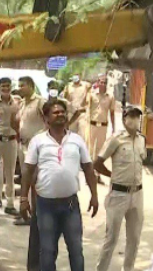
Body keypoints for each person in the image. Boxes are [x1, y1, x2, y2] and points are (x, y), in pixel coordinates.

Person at [20, 100, 99, 271]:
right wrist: (23, 199)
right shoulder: (38, 141)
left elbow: (88, 168)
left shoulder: (77, 140)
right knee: (47, 251)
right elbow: (28, 171)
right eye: (55, 112)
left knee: (76, 250)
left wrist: (94, 195)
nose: (61, 114)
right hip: (45, 205)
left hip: (70, 204)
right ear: (46, 118)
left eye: (63, 112)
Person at [94, 106, 145, 271]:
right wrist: (112, 176)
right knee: (111, 239)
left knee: (134, 238)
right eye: (131, 116)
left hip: (137, 193)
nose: (134, 120)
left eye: (137, 117)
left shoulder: (141, 140)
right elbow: (97, 163)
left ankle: (128, 268)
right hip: (118, 194)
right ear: (124, 119)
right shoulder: (116, 139)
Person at [15, 76, 46, 226]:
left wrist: (39, 138)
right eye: (19, 85)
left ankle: (37, 214)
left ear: (31, 86)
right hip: (23, 145)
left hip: (36, 147)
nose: (20, 88)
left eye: (23, 85)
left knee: (35, 181)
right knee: (26, 179)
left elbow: (48, 121)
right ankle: (28, 212)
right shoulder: (22, 104)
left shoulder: (40, 101)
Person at [0, 77, 21, 216]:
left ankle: (10, 203)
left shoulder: (17, 102)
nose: (5, 88)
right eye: (3, 86)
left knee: (10, 171)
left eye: (8, 86)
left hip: (11, 140)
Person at [86, 74, 115, 169]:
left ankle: (97, 173)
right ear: (98, 83)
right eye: (101, 82)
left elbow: (112, 113)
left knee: (99, 150)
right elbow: (87, 109)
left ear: (107, 84)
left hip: (103, 126)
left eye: (104, 82)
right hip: (92, 125)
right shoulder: (92, 94)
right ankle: (89, 172)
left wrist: (114, 128)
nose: (102, 84)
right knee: (90, 149)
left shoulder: (110, 97)